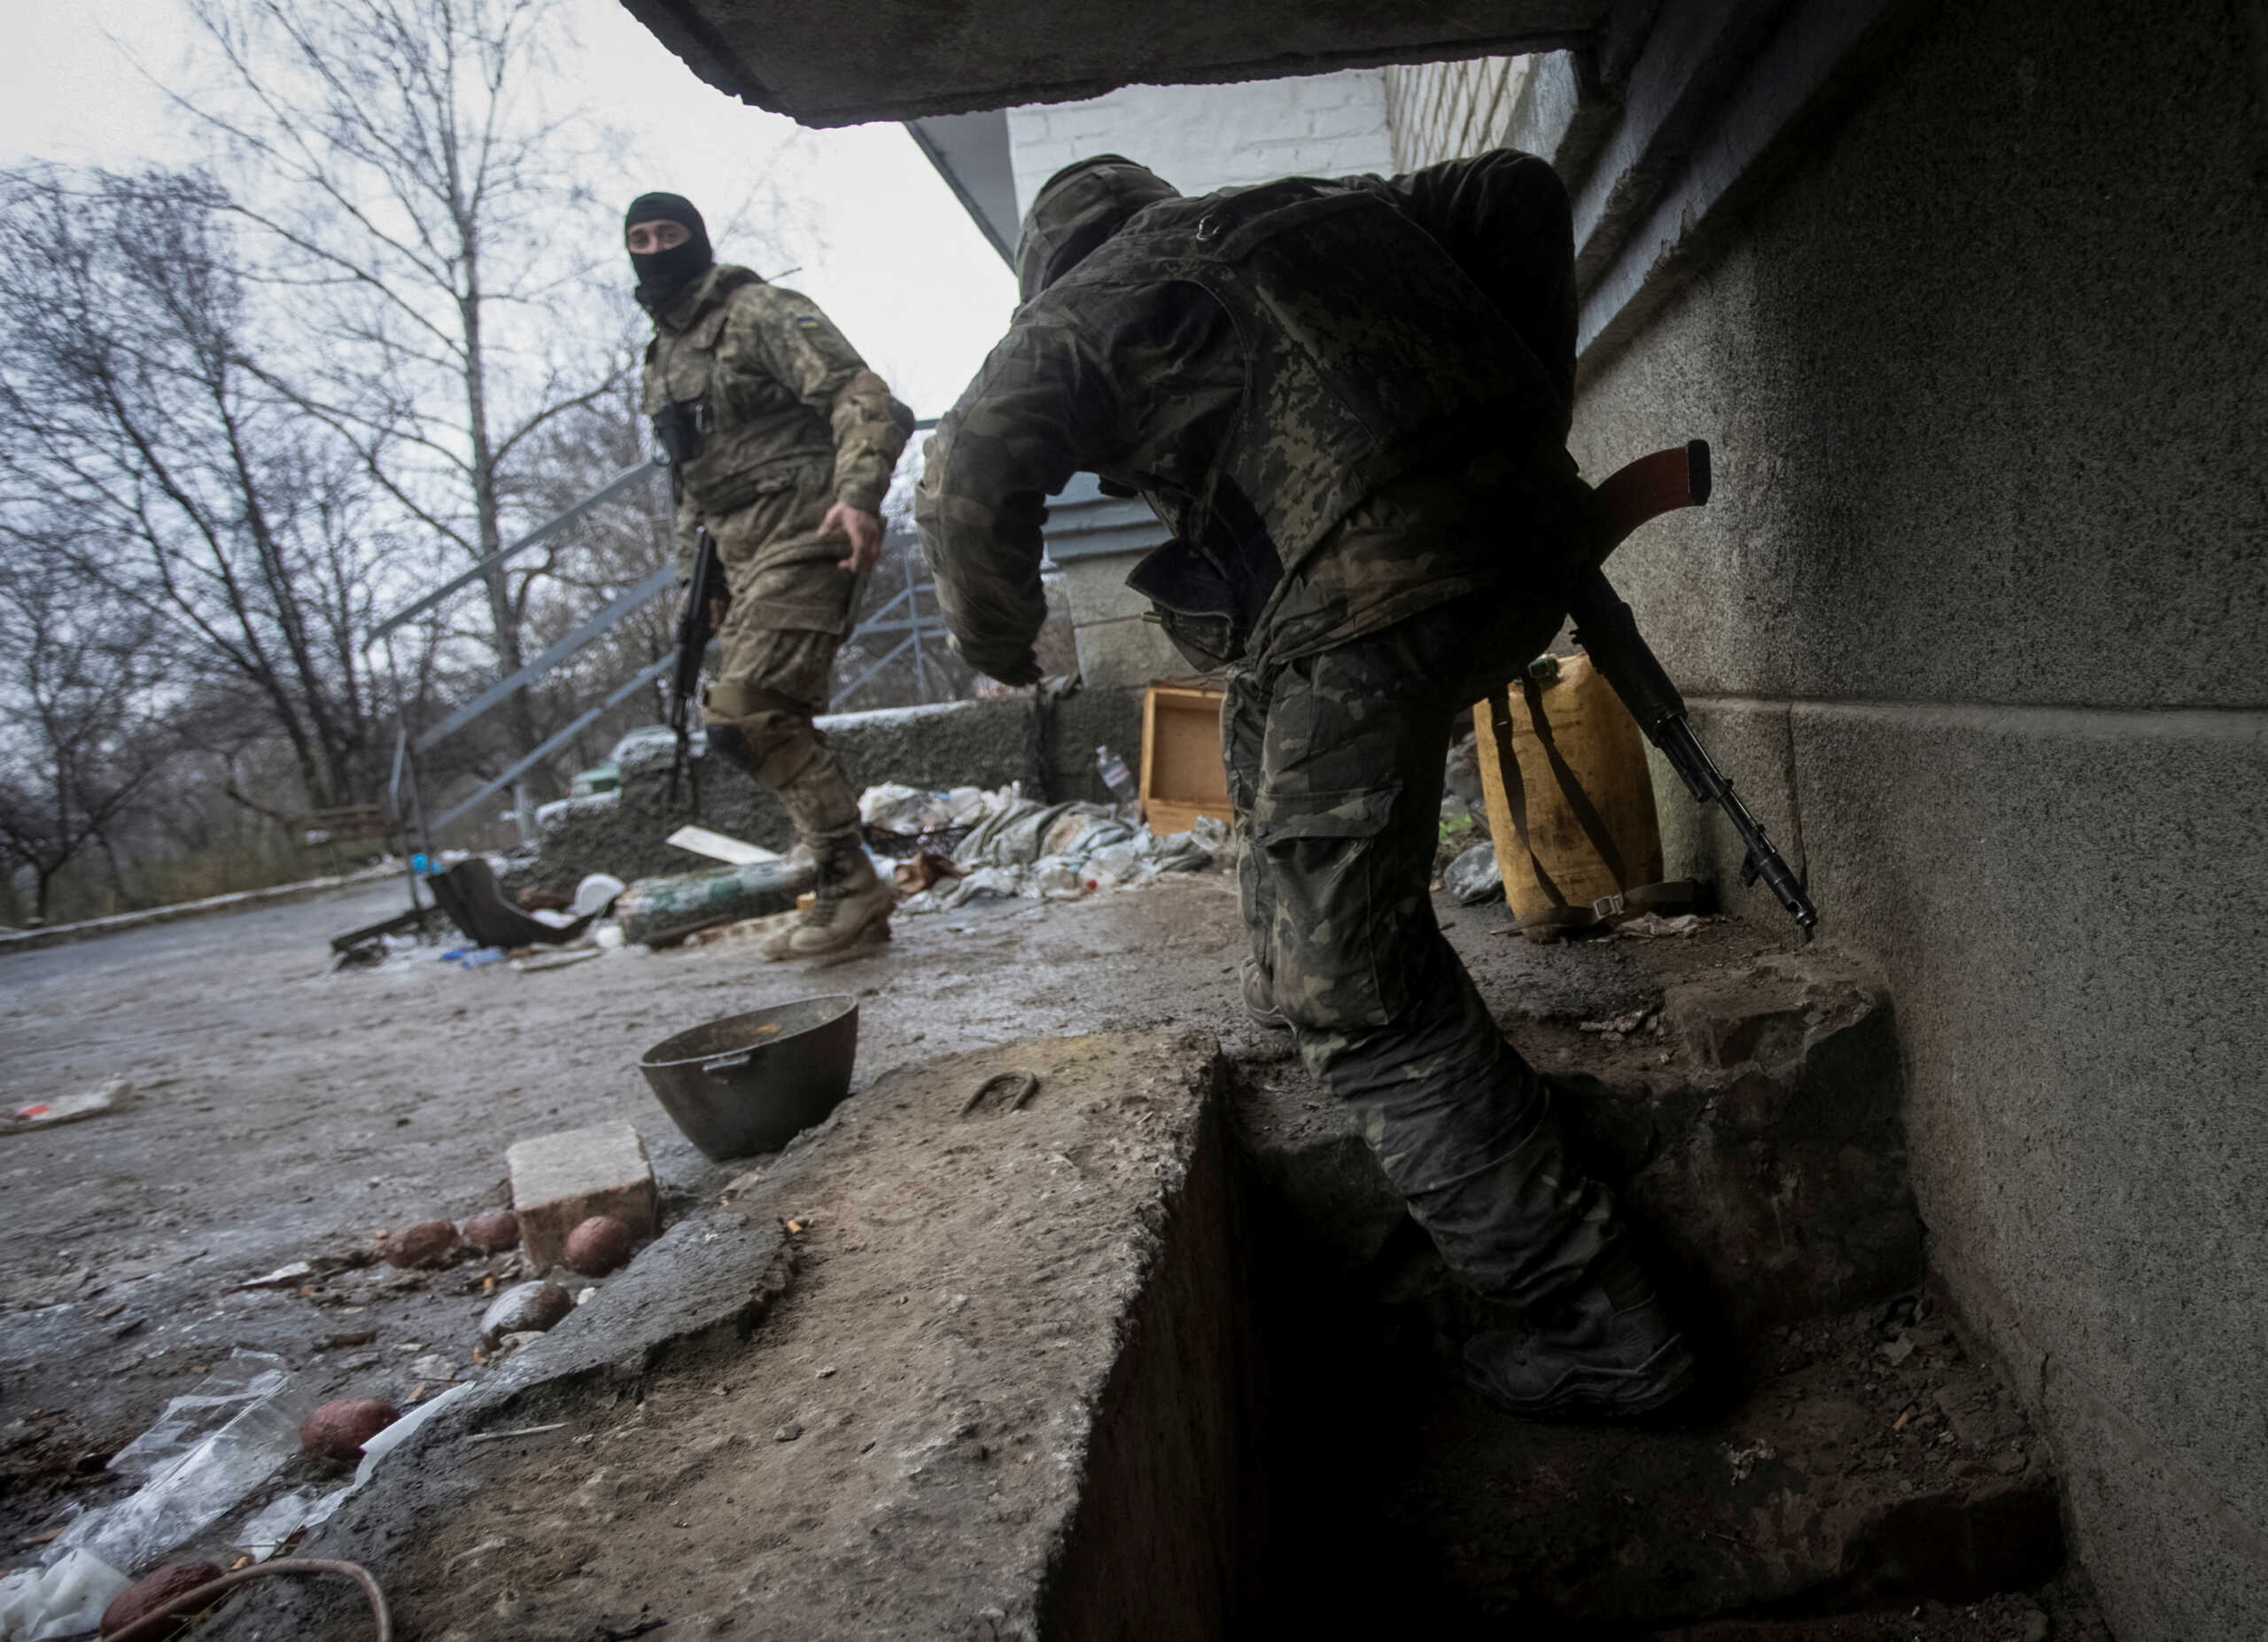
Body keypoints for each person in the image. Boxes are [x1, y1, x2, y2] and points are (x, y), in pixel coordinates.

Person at [913, 152, 1697, 1420]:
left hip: (1372, 594)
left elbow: (962, 477)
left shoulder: (1077, 309)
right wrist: (1524, 415)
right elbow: (1515, 191)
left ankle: (1602, 1326)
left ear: (1045, 264)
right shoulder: (1319, 205)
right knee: (1264, 714)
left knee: (1364, 999)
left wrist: (1003, 648)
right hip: (1527, 546)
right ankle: (1299, 972)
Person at [628, 192, 912, 961]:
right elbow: (691, 481)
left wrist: (858, 497)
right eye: (640, 238)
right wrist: (701, 578)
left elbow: (862, 395)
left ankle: (851, 886)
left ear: (698, 240)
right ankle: (852, 894)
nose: (655, 248)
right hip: (740, 550)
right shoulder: (661, 358)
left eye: (669, 233)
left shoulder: (757, 312)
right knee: (768, 718)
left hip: (809, 522)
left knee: (744, 712)